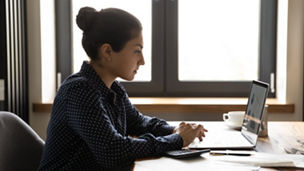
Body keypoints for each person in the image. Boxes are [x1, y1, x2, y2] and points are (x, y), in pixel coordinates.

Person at [38, 7, 208, 170]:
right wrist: (176, 139)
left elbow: (139, 122)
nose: (142, 61)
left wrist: (176, 130)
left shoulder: (113, 88)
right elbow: (114, 151)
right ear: (107, 52)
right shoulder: (79, 90)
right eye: (137, 51)